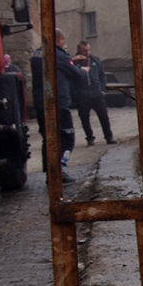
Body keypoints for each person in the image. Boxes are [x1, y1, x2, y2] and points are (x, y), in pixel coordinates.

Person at [30, 29, 86, 183]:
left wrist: (70, 61)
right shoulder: (58, 55)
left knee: (48, 138)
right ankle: (59, 170)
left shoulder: (37, 54)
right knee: (67, 137)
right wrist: (83, 70)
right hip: (58, 102)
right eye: (63, 40)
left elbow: (55, 67)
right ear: (59, 40)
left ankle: (50, 172)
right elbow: (77, 75)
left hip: (41, 103)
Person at [71, 42, 115, 145]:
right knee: (84, 117)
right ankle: (90, 138)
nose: (87, 53)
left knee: (103, 116)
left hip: (96, 93)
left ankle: (109, 137)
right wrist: (75, 94)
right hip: (82, 94)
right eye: (84, 51)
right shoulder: (74, 62)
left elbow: (102, 76)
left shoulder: (95, 60)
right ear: (79, 51)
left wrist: (102, 89)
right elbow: (71, 79)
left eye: (88, 50)